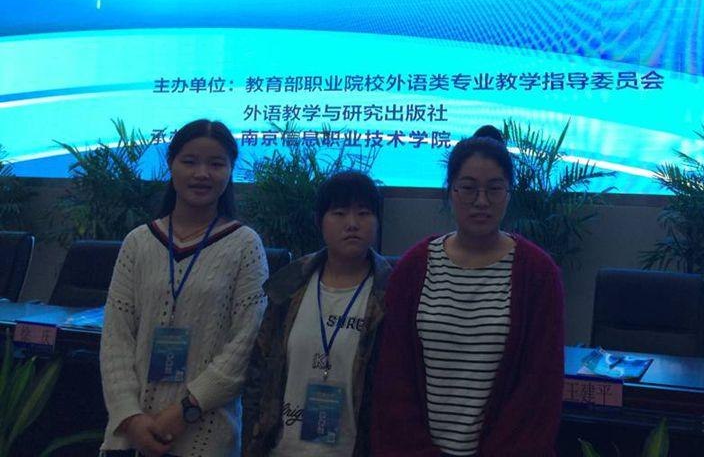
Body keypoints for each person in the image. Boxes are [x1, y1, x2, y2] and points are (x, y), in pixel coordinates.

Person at [371, 125, 565, 457]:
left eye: (494, 189)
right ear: (450, 191)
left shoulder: (538, 275)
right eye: (468, 188)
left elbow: (539, 390)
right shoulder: (414, 268)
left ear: (509, 193)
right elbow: (393, 380)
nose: (481, 201)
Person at [100, 119, 269, 457]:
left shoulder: (245, 245)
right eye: (189, 161)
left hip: (207, 437)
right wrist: (131, 417)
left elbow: (246, 343)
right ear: (171, 164)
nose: (202, 173)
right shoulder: (138, 242)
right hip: (131, 437)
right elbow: (116, 338)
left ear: (230, 170)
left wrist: (186, 409)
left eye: (216, 164)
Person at [242, 171, 392, 457]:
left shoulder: (392, 294)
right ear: (319, 221)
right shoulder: (289, 287)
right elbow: (257, 377)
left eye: (363, 213)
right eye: (339, 213)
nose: (352, 223)